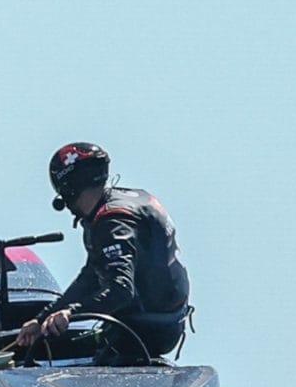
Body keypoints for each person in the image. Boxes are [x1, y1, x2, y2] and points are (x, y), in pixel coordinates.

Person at [15, 142, 193, 364]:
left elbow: (120, 289)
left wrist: (70, 313)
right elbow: (91, 276)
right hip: (169, 320)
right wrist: (41, 319)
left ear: (69, 190)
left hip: (146, 332)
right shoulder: (128, 199)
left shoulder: (111, 222)